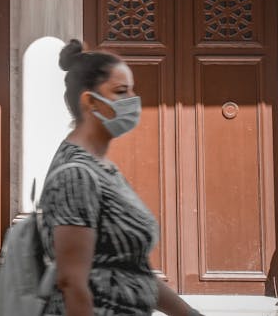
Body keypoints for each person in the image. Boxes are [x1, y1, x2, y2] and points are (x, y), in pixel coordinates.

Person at [38, 39, 205, 316]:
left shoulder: (104, 170)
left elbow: (132, 268)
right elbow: (72, 284)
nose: (133, 100)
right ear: (90, 101)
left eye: (132, 90)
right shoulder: (77, 175)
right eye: (121, 91)